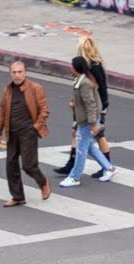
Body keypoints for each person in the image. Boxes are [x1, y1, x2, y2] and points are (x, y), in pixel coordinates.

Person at [0, 60, 51, 207]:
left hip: (28, 132)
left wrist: (35, 126)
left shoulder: (36, 88)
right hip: (12, 132)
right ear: (10, 73)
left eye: (20, 72)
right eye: (14, 72)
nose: (17, 75)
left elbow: (44, 110)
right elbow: (2, 112)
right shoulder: (8, 90)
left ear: (25, 73)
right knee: (11, 164)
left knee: (28, 165)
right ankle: (18, 197)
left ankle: (43, 182)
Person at [54, 36, 112, 178]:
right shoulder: (87, 66)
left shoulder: (94, 67)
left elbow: (100, 91)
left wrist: (100, 111)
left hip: (94, 109)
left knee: (97, 136)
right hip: (85, 108)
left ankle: (106, 166)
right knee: (77, 133)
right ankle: (74, 164)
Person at [59, 56, 118, 187]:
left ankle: (75, 177)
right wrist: (74, 103)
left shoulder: (84, 83)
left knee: (81, 150)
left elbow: (90, 104)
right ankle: (109, 168)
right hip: (85, 120)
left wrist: (93, 124)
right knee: (90, 147)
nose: (70, 68)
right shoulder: (81, 80)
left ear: (76, 68)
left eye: (71, 65)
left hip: (87, 121)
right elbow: (84, 101)